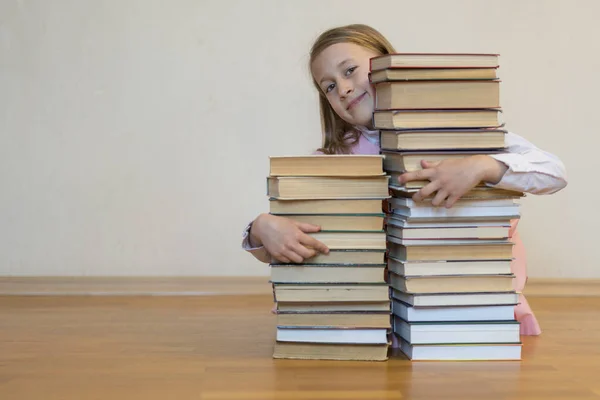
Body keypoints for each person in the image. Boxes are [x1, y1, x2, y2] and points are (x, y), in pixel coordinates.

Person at [241, 24, 567, 336]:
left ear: (387, 64)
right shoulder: (334, 160)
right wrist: (262, 227)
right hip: (378, 322)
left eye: (350, 70)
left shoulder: (464, 131)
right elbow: (300, 235)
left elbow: (553, 172)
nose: (342, 88)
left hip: (470, 308)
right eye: (328, 86)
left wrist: (482, 166)